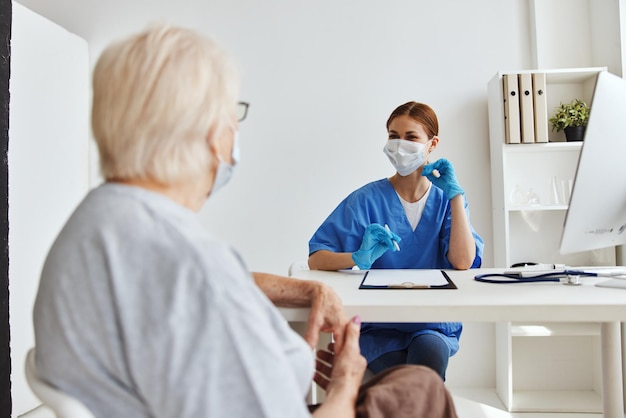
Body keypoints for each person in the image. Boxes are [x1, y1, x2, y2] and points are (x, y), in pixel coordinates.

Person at [32, 25, 458, 418]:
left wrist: (305, 289)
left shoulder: (100, 220)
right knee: (422, 388)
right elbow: (200, 277)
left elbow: (189, 276)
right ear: (210, 132)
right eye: (232, 113)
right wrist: (346, 382)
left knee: (414, 378)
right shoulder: (193, 266)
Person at [308, 101, 484, 381]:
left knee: (422, 373)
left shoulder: (446, 201)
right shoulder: (366, 200)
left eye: (411, 137)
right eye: (393, 136)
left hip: (432, 325)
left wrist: (456, 196)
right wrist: (356, 258)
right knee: (407, 385)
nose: (400, 144)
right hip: (379, 326)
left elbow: (463, 262)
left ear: (432, 143)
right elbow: (317, 258)